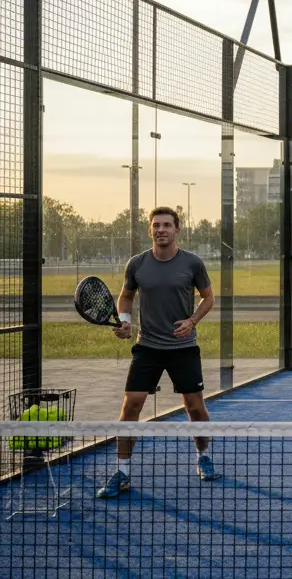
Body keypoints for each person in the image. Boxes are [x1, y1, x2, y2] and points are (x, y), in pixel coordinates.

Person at [96, 206, 219, 498]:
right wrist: (124, 322)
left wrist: (192, 321)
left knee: (194, 406)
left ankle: (203, 455)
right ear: (149, 230)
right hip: (147, 347)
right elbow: (125, 297)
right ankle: (123, 472)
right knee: (130, 407)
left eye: (167, 225)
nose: (161, 229)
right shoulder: (136, 264)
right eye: (156, 225)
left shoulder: (193, 263)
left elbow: (208, 297)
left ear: (177, 230)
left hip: (183, 348)